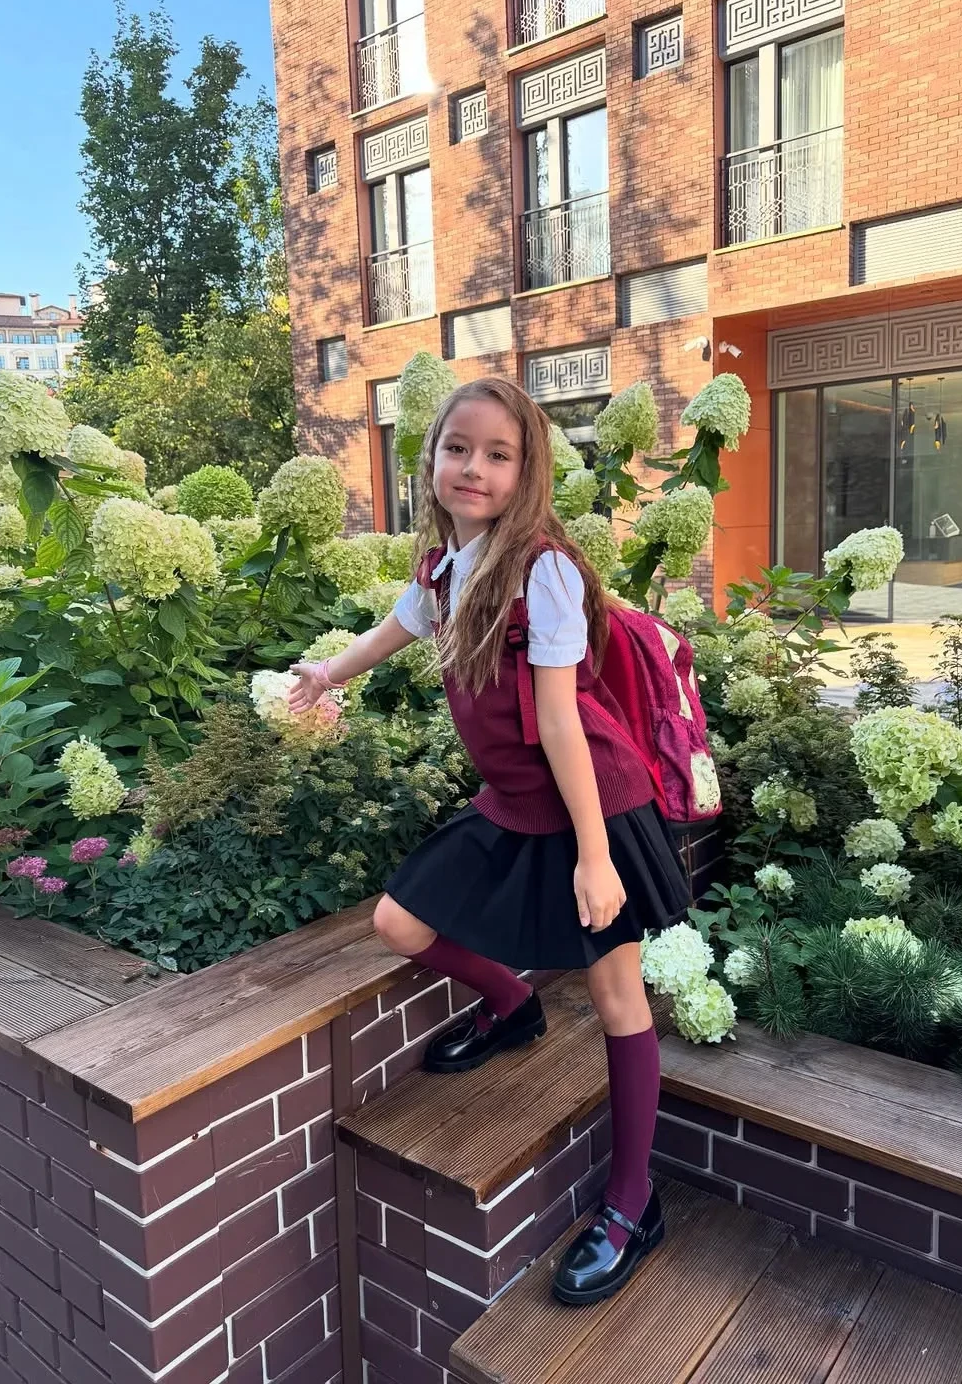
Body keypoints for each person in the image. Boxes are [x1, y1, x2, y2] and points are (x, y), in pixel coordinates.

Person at [289, 377, 692, 1305]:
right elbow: (395, 630)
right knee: (398, 923)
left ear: (526, 470)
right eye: (457, 448)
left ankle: (634, 1203)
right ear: (432, 460)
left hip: (593, 801)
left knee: (617, 995)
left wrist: (595, 856)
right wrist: (327, 675)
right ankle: (512, 1007)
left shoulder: (541, 571)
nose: (474, 468)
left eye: (498, 454)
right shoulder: (444, 568)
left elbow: (560, 722)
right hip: (514, 799)